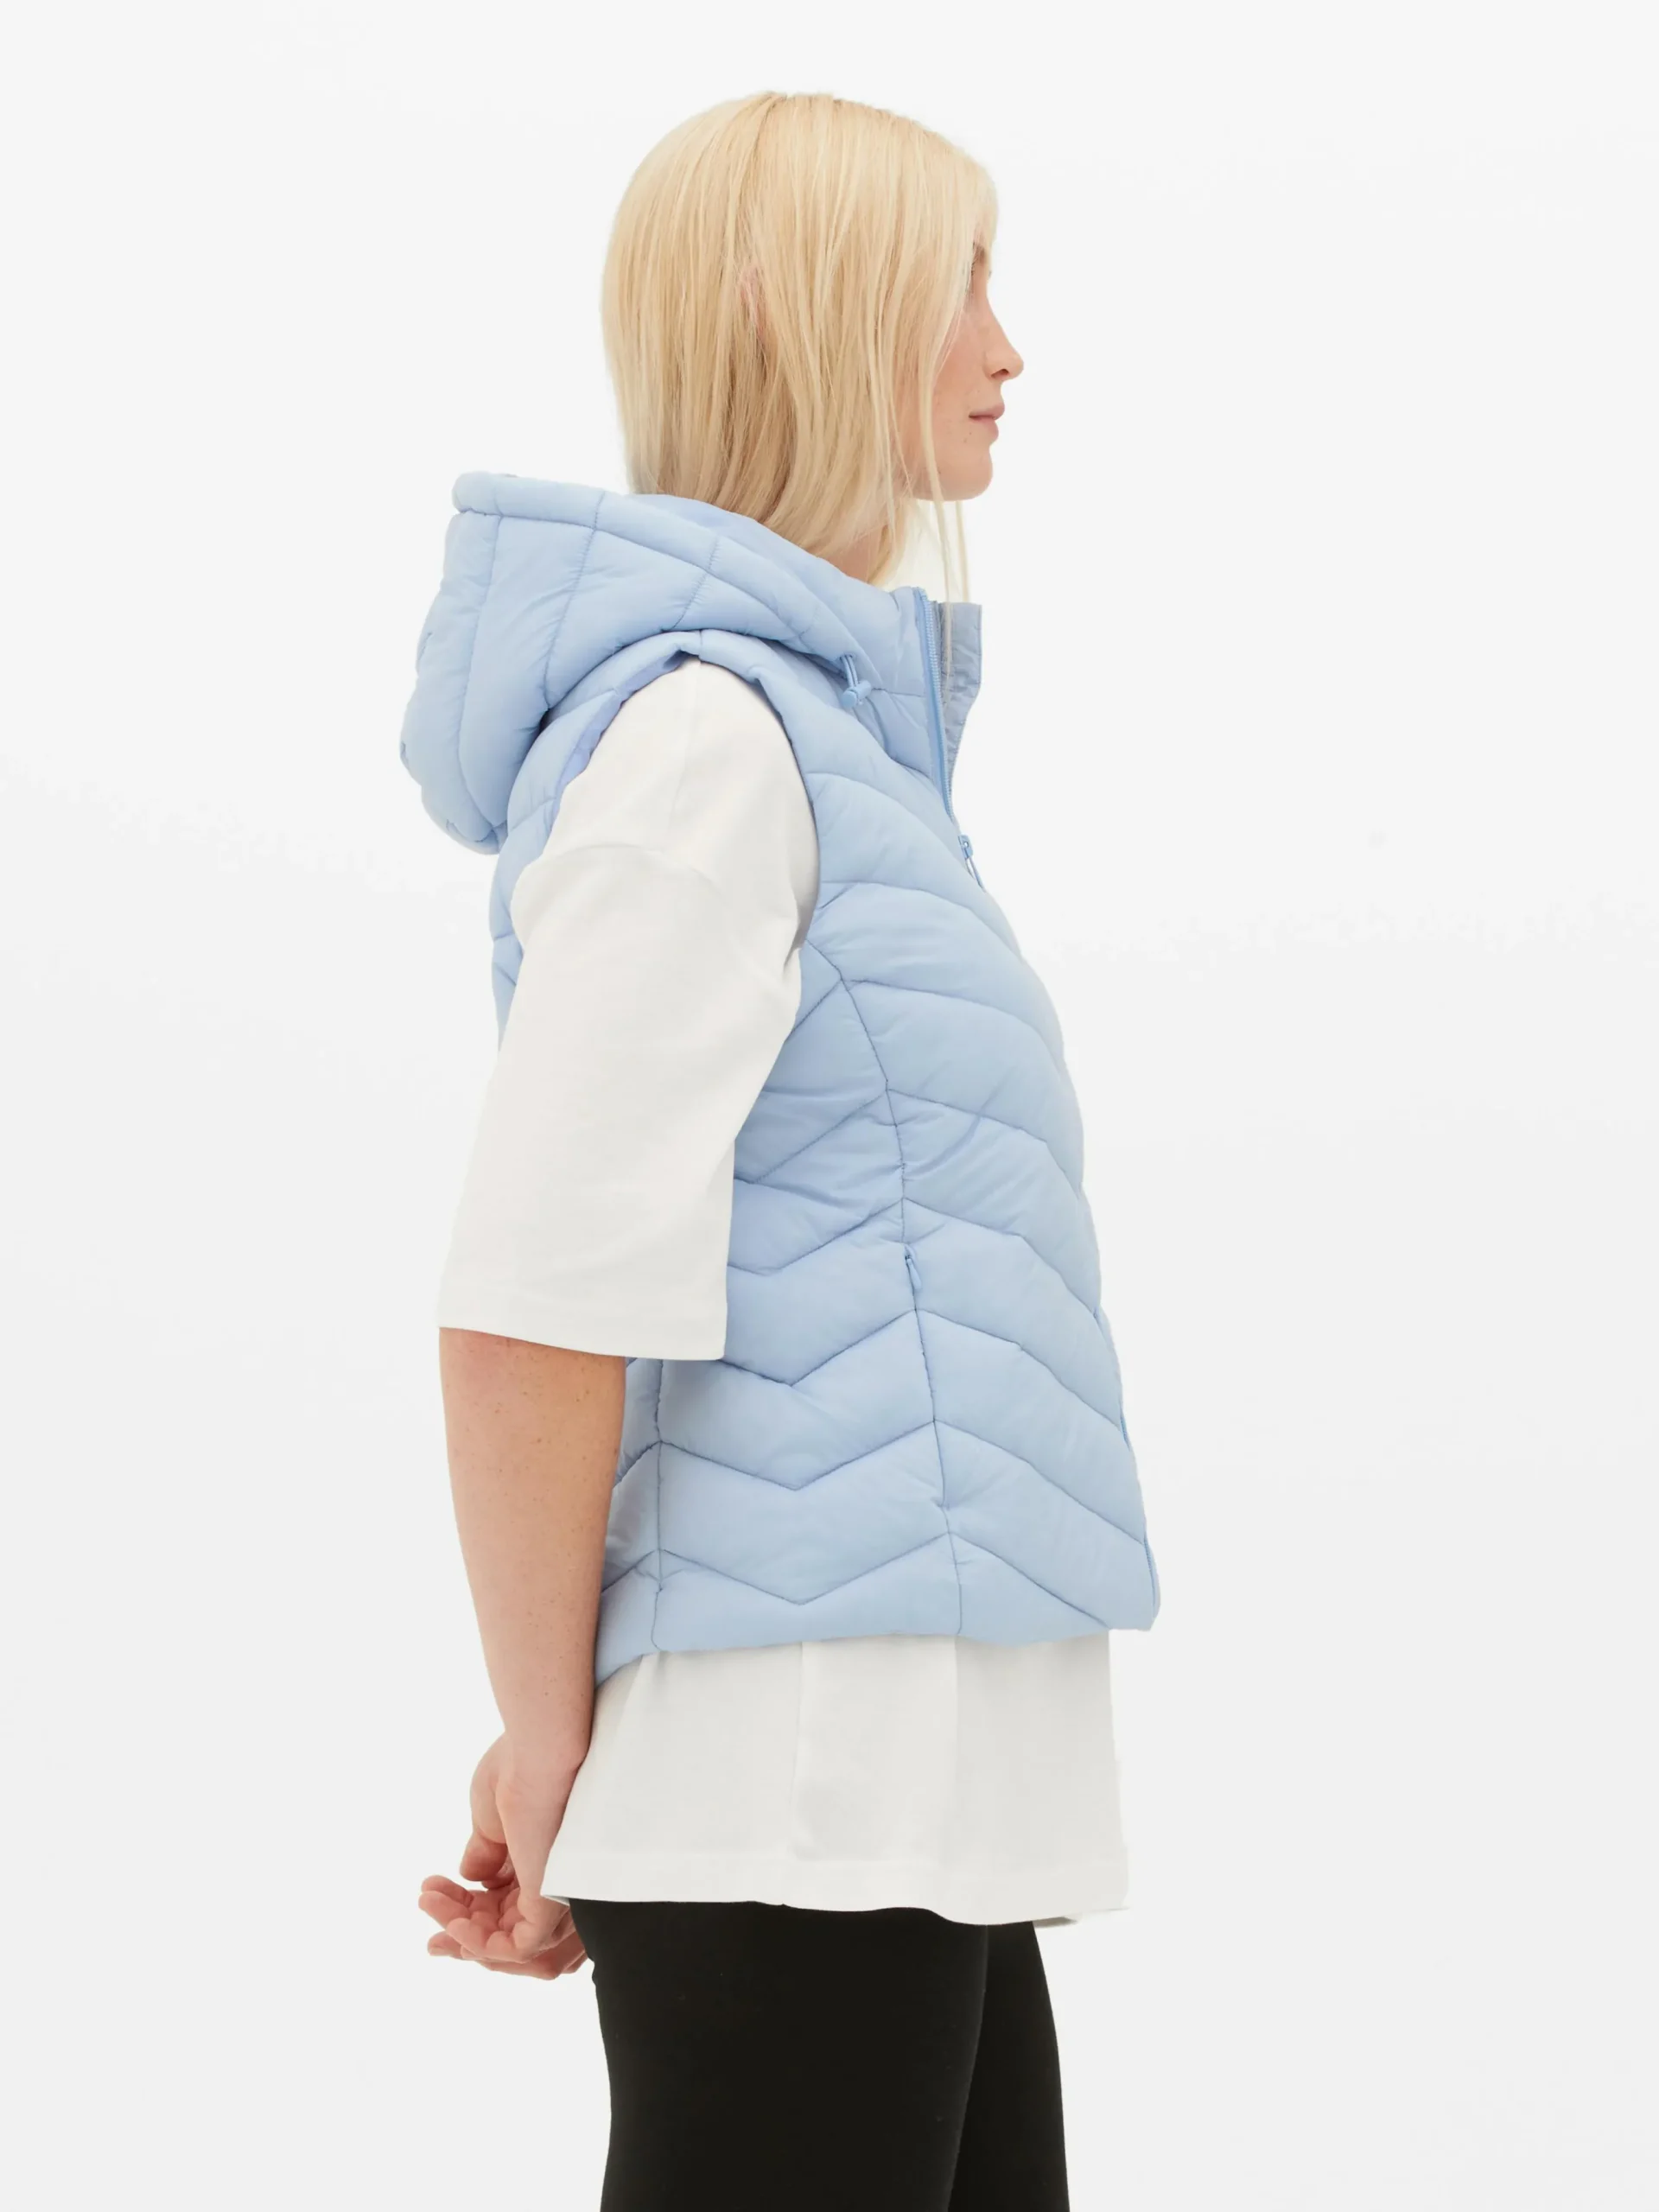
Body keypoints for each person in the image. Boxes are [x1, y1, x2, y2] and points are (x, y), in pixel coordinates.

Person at [403, 89, 1160, 2212]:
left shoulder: (835, 757)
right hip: (797, 1765)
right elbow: (533, 1293)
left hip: (908, 1775)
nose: (1008, 347)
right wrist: (555, 1747)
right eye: (960, 280)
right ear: (798, 306)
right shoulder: (705, 743)